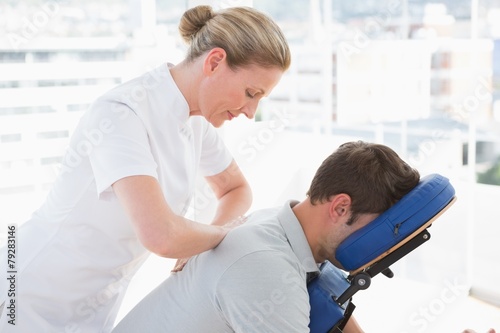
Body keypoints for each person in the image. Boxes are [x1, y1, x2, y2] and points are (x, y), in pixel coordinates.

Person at [0, 5, 290, 333]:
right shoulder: (123, 113)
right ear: (214, 62)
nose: (252, 112)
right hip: (26, 293)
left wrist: (202, 241)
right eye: (251, 93)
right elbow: (161, 235)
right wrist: (222, 236)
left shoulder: (198, 122)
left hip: (93, 306)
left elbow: (236, 189)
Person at [111, 141, 420, 333]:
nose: (379, 247)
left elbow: (333, 317)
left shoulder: (279, 226)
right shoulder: (266, 267)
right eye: (379, 230)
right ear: (340, 207)